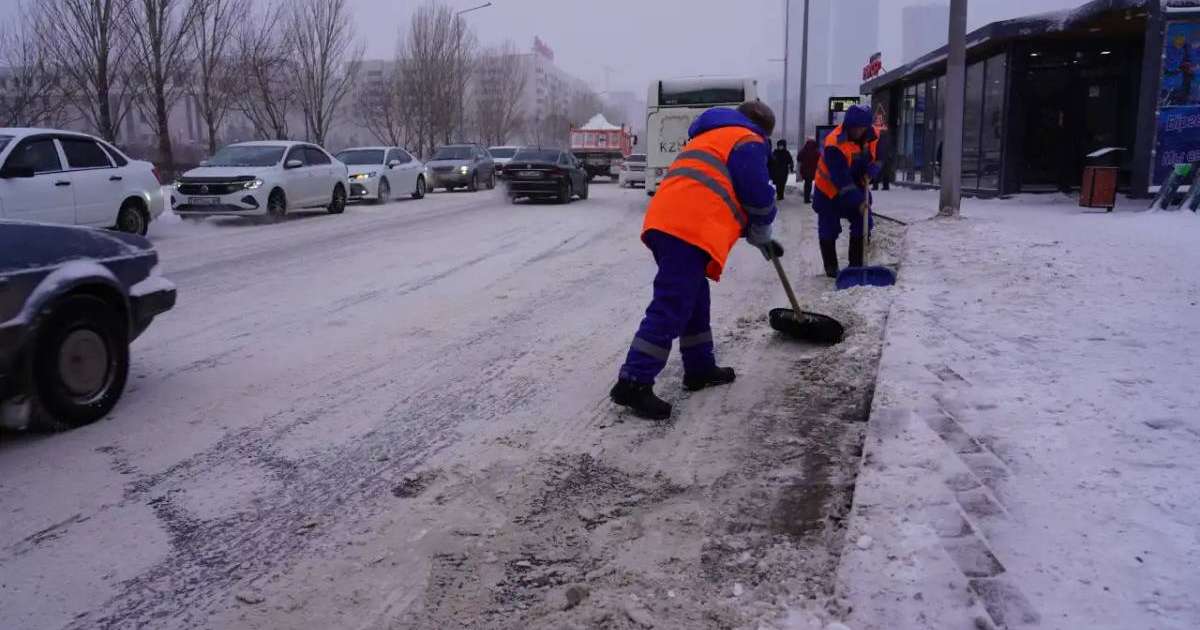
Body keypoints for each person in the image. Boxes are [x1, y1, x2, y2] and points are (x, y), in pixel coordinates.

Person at [610, 101, 783, 420]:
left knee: (694, 298)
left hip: (671, 223)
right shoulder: (746, 139)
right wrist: (763, 223)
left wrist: (760, 236)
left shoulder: (711, 135)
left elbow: (720, 188)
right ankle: (633, 381)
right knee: (673, 303)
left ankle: (700, 367)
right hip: (688, 227)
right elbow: (757, 193)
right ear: (763, 128)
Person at [812, 104, 879, 278]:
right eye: (855, 128)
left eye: (862, 128)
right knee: (829, 228)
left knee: (864, 221)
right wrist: (859, 201)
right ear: (848, 125)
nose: (859, 131)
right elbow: (841, 179)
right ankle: (831, 268)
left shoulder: (871, 136)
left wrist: (871, 171)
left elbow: (875, 159)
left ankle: (856, 266)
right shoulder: (834, 143)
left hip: (855, 185)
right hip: (828, 191)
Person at [871, 126, 894, 191]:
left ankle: (878, 186)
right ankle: (884, 186)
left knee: (879, 172)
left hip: (881, 156)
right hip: (883, 156)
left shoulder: (879, 137)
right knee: (883, 172)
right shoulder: (887, 137)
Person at [799, 137, 821, 204]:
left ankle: (806, 198)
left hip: (804, 170)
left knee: (807, 184)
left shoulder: (804, 150)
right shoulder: (816, 151)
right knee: (810, 184)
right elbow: (820, 159)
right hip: (812, 170)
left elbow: (798, 157)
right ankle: (808, 198)